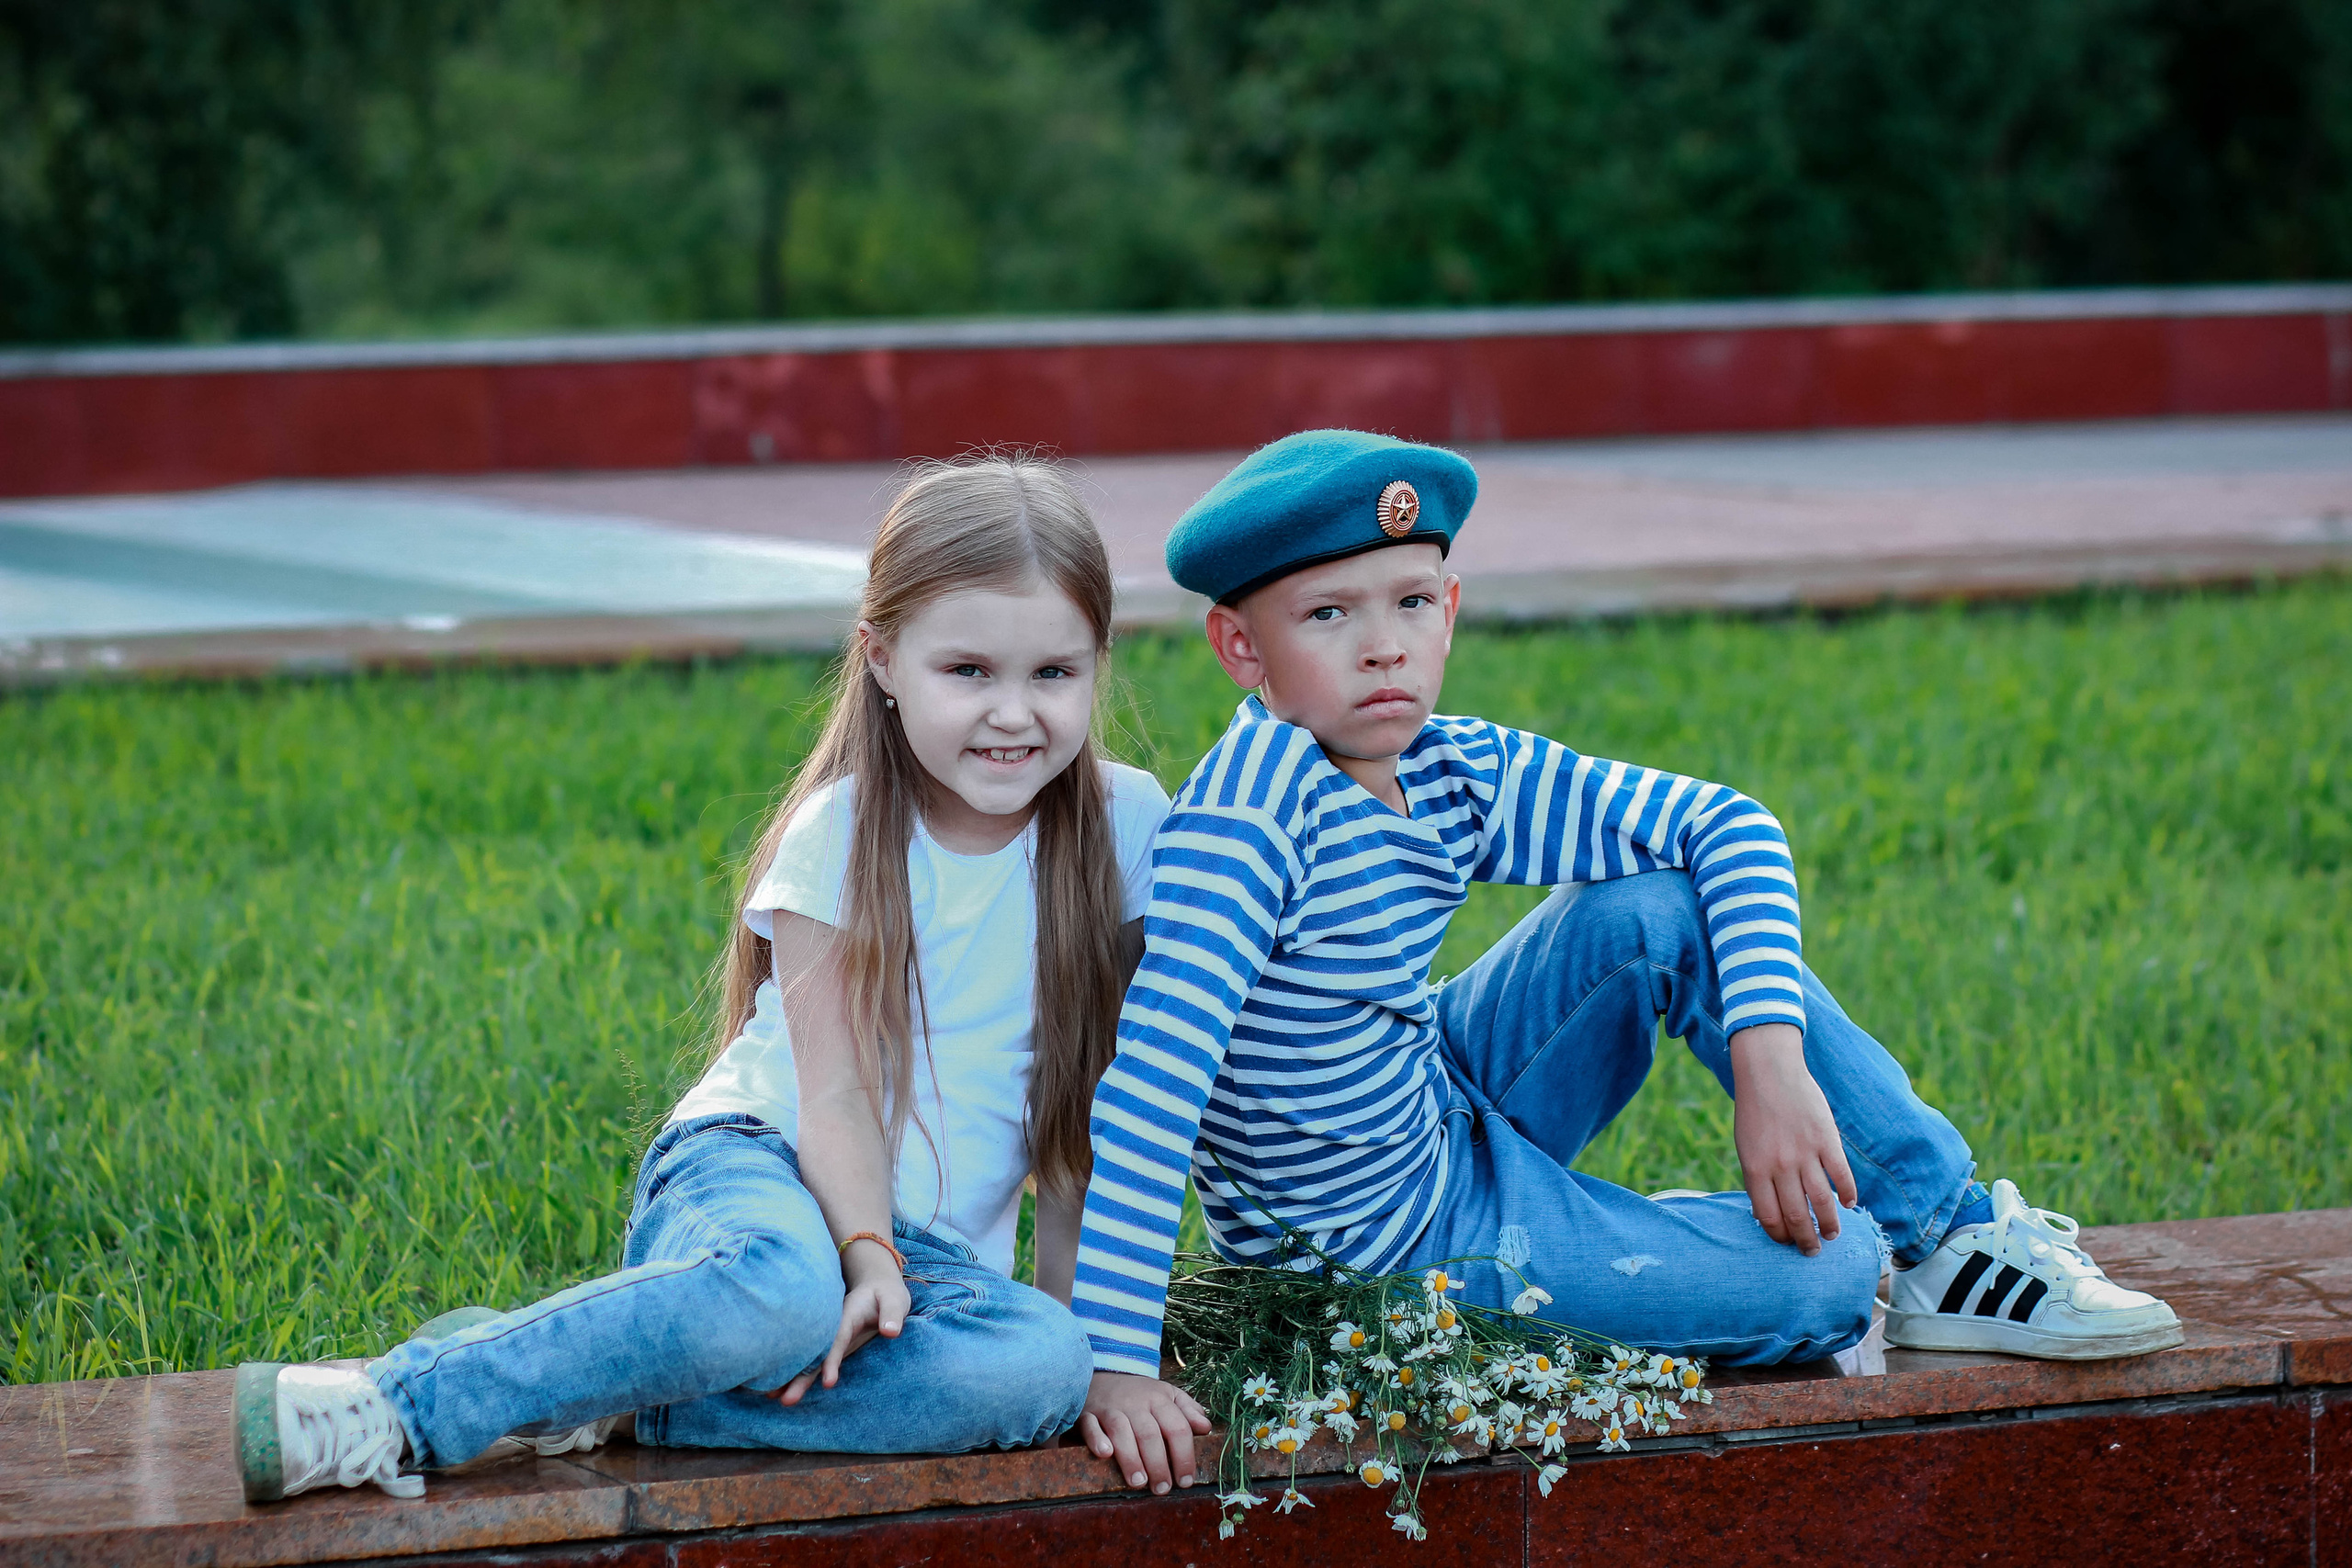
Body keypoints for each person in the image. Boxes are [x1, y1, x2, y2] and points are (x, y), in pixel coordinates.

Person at [1069, 429, 2184, 1496]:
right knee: (1836, 1272)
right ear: (1241, 647)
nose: (1383, 646)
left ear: (1449, 611)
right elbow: (1151, 1091)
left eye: (1410, 603)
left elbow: (1728, 826)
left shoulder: (1446, 767)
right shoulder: (1245, 830)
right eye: (1328, 614)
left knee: (1653, 903)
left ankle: (1952, 1239)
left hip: (1431, 1100)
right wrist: (1115, 1358)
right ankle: (1643, 1245)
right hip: (1385, 1256)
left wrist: (1770, 1059)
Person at [233, 455, 1193, 1503]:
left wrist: (1103, 1357)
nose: (1013, 713)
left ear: (1099, 659)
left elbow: (1100, 1113)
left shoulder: (1123, 825)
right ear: (880, 658)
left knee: (1041, 1367)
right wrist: (865, 1251)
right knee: (783, 1294)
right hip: (763, 1170)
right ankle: (398, 1404)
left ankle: (618, 1382)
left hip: (935, 1262)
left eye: (1052, 673)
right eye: (968, 671)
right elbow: (833, 1095)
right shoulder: (842, 836)